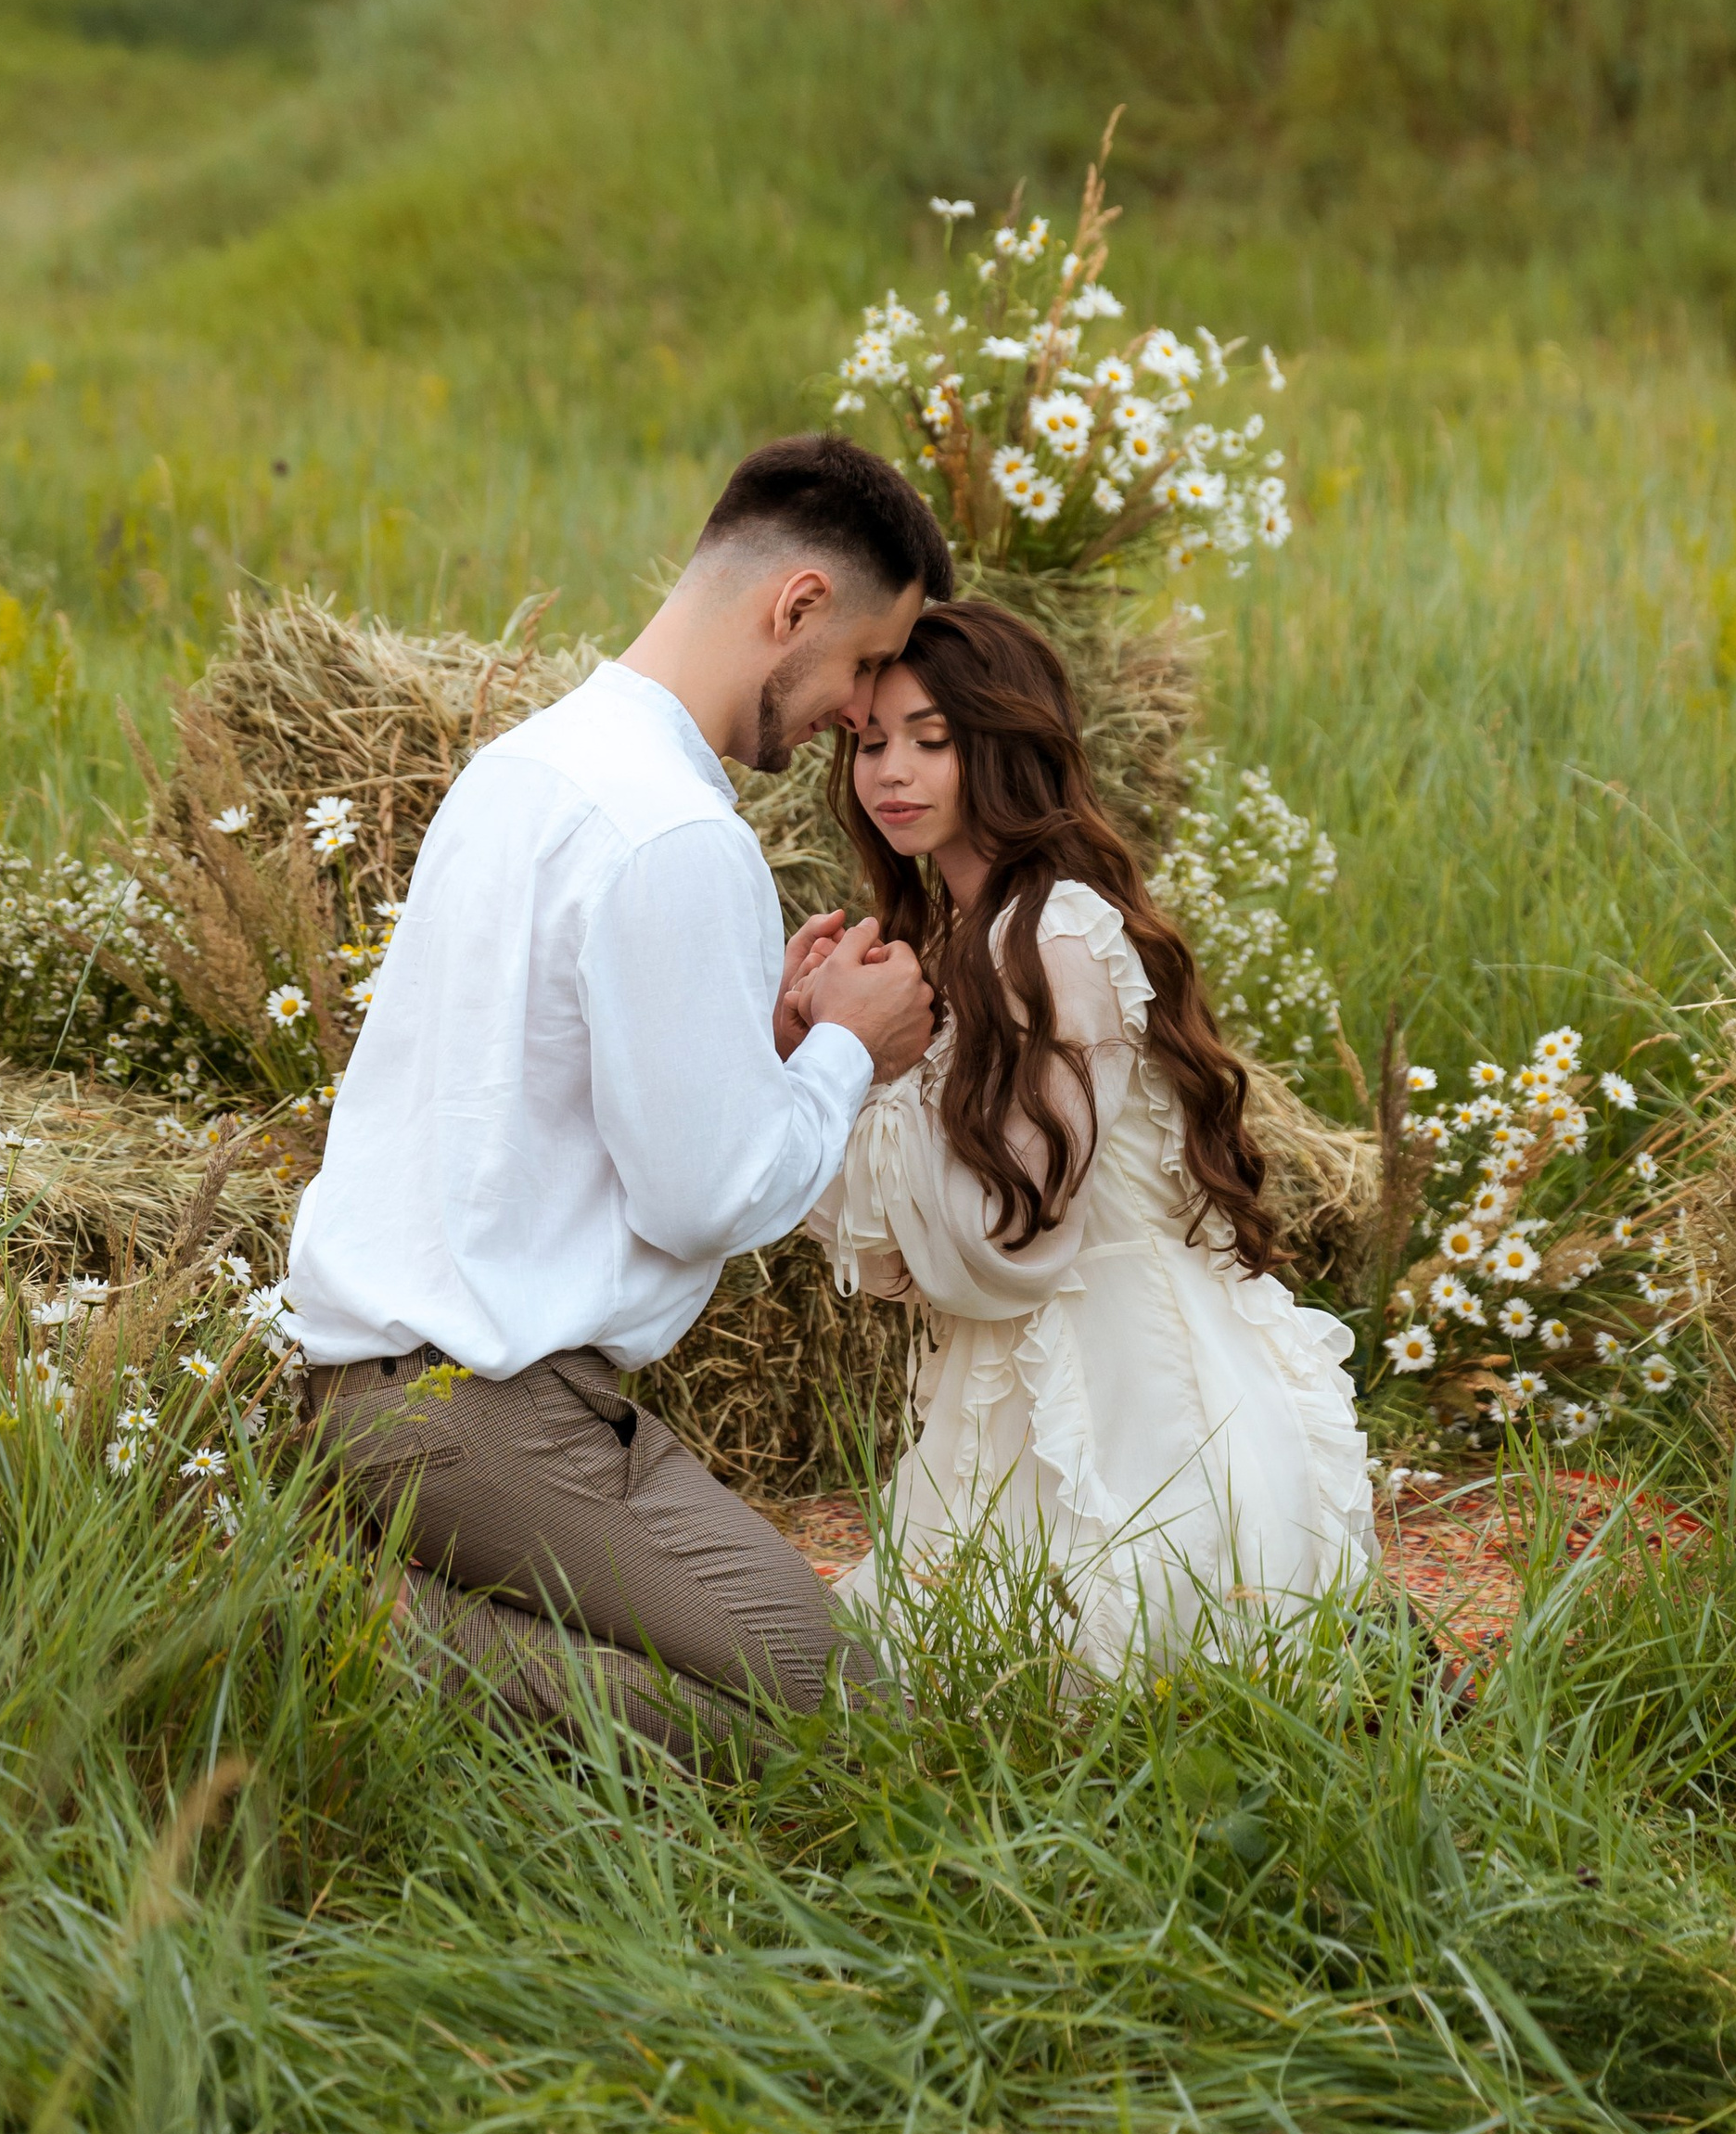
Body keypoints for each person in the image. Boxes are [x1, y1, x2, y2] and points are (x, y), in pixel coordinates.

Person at [282, 433, 953, 1757]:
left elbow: (537, 1083)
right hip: (487, 1416)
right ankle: (352, 1627)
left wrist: (750, 1042)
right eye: (869, 663)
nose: (862, 714)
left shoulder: (531, 766)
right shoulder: (679, 832)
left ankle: (391, 1608)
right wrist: (847, 1055)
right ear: (798, 604)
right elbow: (705, 1197)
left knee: (779, 1686)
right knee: (845, 1718)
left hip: (380, 1392)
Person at [798, 598, 1374, 1673]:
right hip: (1011, 1369)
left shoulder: (1053, 932)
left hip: (1123, 1384)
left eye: (932, 738)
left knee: (1052, 1664)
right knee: (897, 1672)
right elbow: (896, 1259)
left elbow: (1005, 1237)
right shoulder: (954, 938)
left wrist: (852, 1067)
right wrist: (811, 1048)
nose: (891, 770)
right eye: (871, 740)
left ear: (1003, 746)